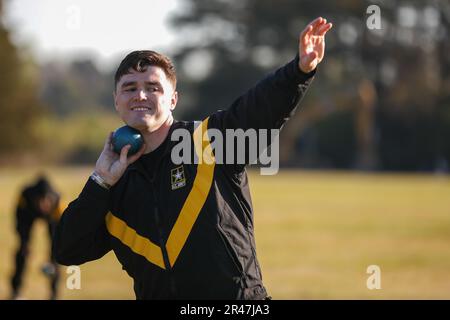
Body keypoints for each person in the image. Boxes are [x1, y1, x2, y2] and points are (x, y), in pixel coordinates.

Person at [54, 17, 333, 299]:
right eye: (130, 88)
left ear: (173, 99)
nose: (140, 95)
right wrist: (100, 181)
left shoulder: (208, 140)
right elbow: (67, 249)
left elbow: (258, 108)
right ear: (116, 100)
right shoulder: (112, 183)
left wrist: (299, 70)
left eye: (153, 87)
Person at [11, 175, 62, 300]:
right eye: (40, 201)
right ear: (34, 198)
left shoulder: (57, 200)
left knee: (57, 254)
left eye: (46, 201)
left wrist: (52, 256)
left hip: (52, 220)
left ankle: (54, 294)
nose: (43, 205)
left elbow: (59, 229)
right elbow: (19, 220)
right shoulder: (25, 196)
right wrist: (24, 242)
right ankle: (16, 292)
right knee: (22, 252)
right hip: (27, 216)